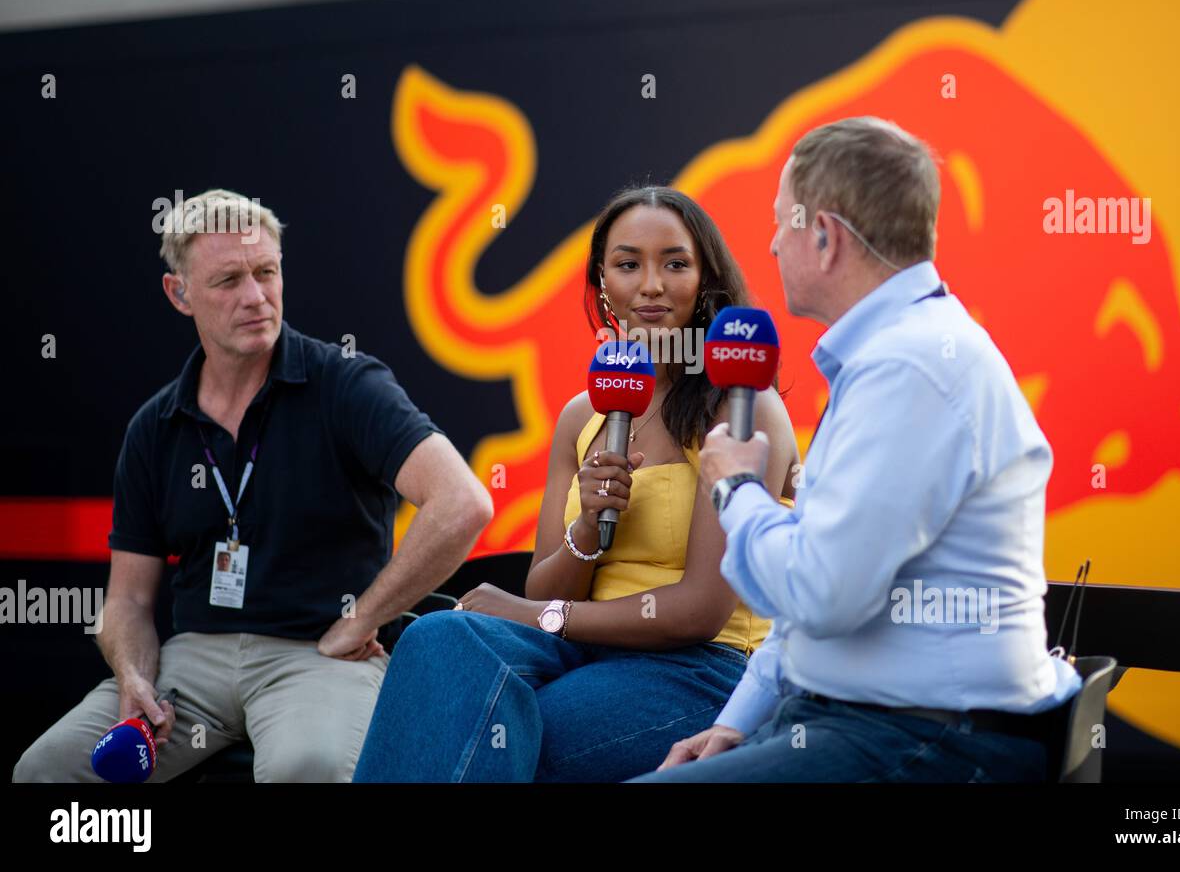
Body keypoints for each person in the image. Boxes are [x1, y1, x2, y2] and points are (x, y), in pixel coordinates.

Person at [633, 118, 1081, 783]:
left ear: (824, 235)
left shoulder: (910, 366)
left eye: (783, 223)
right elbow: (818, 596)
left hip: (923, 741)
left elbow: (822, 592)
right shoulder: (900, 352)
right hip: (874, 724)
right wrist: (736, 722)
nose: (771, 244)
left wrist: (736, 490)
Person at [13, 189, 492, 783]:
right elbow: (128, 601)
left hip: (317, 655)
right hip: (191, 665)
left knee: (306, 768)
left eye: (266, 272)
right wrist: (134, 676)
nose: (256, 297)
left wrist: (362, 618)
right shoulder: (156, 426)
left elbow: (463, 502)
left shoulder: (345, 385)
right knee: (45, 771)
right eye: (228, 280)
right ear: (179, 293)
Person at [353, 186, 799, 782]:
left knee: (498, 731)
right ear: (602, 282)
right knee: (436, 638)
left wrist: (542, 616)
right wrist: (587, 527)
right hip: (581, 650)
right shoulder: (581, 416)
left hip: (701, 666)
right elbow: (546, 580)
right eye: (627, 264)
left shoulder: (741, 409)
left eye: (674, 263)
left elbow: (698, 610)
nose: (651, 285)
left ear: (705, 278)